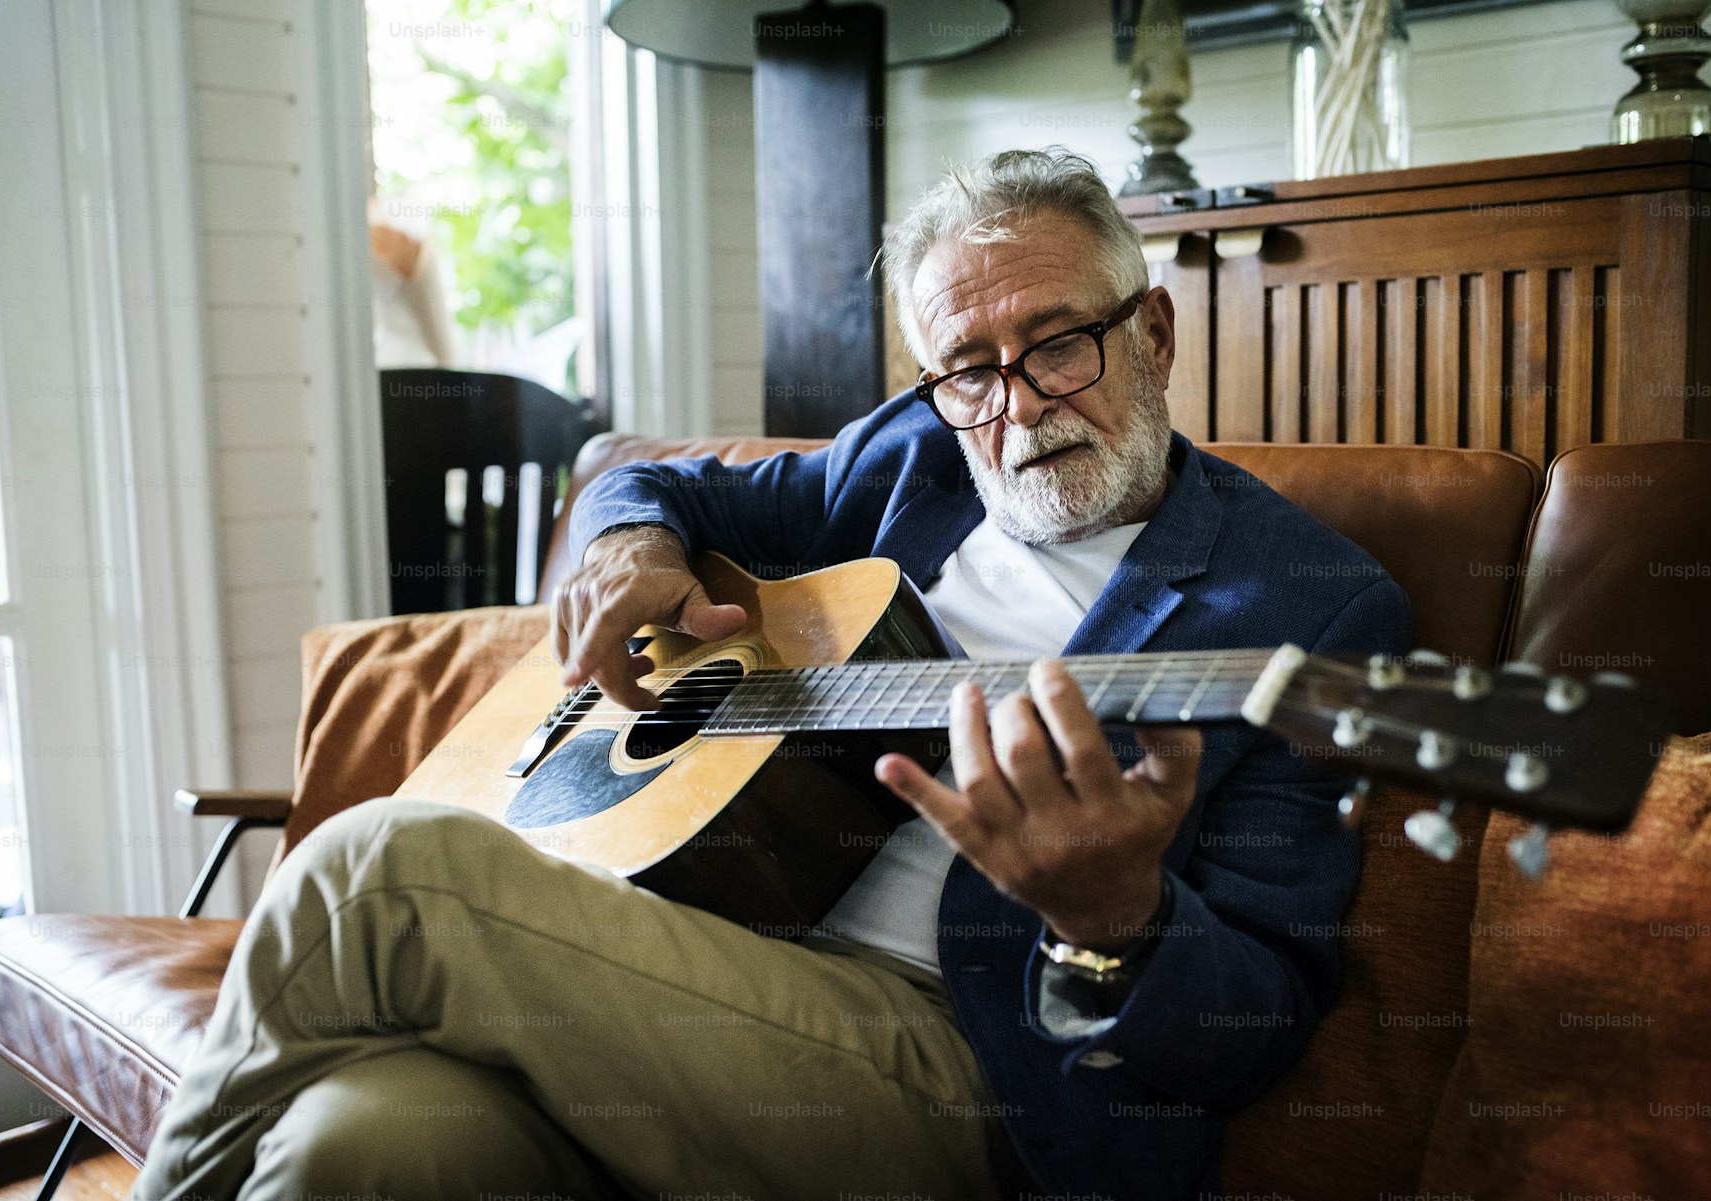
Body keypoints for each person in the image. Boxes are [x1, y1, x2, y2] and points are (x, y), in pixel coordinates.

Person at [134, 148, 1410, 1201]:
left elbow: (1262, 1014)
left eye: (1060, 341)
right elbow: (664, 482)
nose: (1016, 409)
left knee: (378, 870)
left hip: (967, 1069)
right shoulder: (914, 454)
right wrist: (629, 541)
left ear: (1157, 330)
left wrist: (1117, 920)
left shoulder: (1311, 607)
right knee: (361, 1140)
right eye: (970, 367)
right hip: (698, 955)